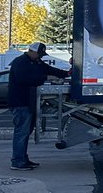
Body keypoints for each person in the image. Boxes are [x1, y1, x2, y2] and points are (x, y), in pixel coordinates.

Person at [8, 42, 70, 171]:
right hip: (20, 102)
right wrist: (46, 77)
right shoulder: (20, 62)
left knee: (25, 132)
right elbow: (23, 79)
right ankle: (18, 161)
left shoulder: (36, 62)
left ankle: (22, 159)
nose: (40, 57)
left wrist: (67, 73)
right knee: (22, 132)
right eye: (39, 54)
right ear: (31, 51)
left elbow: (50, 70)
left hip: (28, 102)